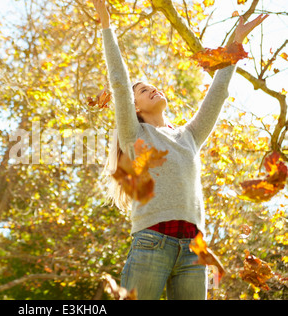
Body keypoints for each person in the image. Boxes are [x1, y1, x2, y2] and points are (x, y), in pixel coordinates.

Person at [93, 0, 268, 300]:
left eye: (152, 86)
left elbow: (218, 92)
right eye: (143, 90)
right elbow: (120, 84)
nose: (151, 88)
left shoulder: (189, 135)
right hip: (151, 243)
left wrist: (235, 44)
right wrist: (106, 24)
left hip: (193, 251)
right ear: (134, 106)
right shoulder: (133, 135)